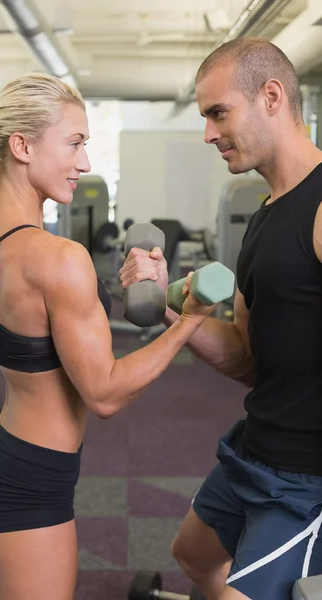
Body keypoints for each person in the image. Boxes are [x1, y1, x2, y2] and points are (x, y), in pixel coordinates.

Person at [0, 72, 215, 600]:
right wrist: (194, 320)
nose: (85, 163)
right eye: (75, 143)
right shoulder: (58, 259)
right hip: (31, 481)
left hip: (5, 451)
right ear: (22, 146)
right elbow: (106, 393)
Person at [119, 38, 322, 600]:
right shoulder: (264, 215)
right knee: (194, 554)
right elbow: (246, 357)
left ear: (272, 97)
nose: (208, 133)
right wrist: (164, 305)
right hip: (258, 448)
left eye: (218, 112)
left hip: (308, 481)